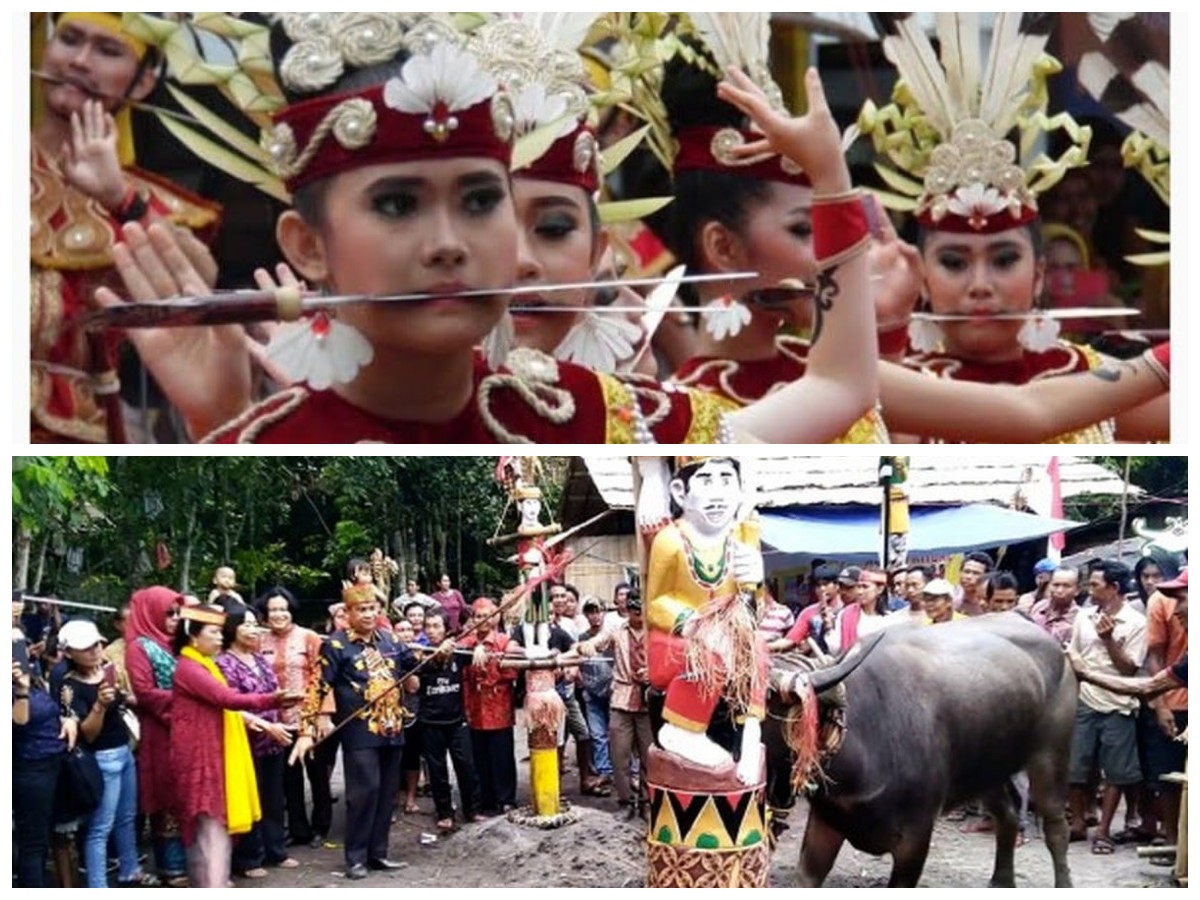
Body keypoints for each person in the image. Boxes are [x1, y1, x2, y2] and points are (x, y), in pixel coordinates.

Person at [95, 13, 881, 446]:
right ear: (307, 247)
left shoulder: (585, 410)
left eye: (478, 200)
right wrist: (217, 425)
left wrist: (830, 180)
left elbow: (840, 389)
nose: (449, 242)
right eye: (397, 205)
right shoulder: (269, 441)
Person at [859, 12, 1168, 443]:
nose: (980, 285)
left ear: (1039, 273)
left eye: (1005, 259)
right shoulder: (893, 385)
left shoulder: (1086, 372)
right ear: (922, 277)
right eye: (953, 262)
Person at [30, 12, 220, 443]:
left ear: (144, 83)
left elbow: (199, 288)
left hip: (76, 437)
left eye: (108, 50)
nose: (79, 61)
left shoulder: (146, 202)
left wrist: (119, 197)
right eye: (69, 39)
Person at [644, 457, 767, 782]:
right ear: (680, 491)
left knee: (757, 647)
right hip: (677, 641)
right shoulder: (670, 540)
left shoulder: (741, 538)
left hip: (728, 635)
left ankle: (752, 729)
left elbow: (754, 611)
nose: (718, 493)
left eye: (727, 480)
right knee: (709, 657)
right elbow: (656, 604)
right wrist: (697, 626)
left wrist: (755, 582)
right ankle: (682, 731)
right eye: (707, 480)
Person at [291, 584, 418, 880]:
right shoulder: (336, 645)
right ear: (347, 613)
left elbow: (414, 667)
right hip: (360, 731)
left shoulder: (390, 640)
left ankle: (379, 854)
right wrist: (307, 728)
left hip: (393, 728)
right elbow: (318, 686)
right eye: (362, 609)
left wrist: (441, 653)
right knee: (364, 792)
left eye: (373, 608)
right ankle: (355, 857)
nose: (369, 614)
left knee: (387, 792)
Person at [170, 604, 298, 888]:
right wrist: (271, 700)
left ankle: (214, 879)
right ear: (193, 636)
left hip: (213, 748)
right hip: (199, 753)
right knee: (208, 819)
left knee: (216, 820)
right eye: (213, 632)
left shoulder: (203, 663)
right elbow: (226, 697)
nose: (219, 637)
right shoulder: (190, 667)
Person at [58, 618, 156, 888]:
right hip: (100, 759)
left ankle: (130, 869)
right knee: (100, 828)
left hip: (124, 751)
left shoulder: (107, 670)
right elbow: (87, 733)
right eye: (85, 647)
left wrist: (156, 699)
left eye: (97, 644)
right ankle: (98, 885)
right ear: (69, 652)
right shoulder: (69, 686)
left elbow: (125, 701)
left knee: (127, 818)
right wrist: (100, 705)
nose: (94, 650)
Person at [1066, 560, 1148, 854]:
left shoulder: (1137, 623)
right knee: (1076, 767)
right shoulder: (1084, 616)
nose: (1090, 589)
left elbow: (1129, 670)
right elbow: (1073, 654)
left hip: (1119, 703)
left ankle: (1103, 831)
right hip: (1085, 699)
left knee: (1117, 772)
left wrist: (1108, 639)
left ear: (1114, 588)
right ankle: (1077, 823)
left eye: (1095, 585)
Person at [215, 605, 298, 878]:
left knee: (274, 796)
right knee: (250, 797)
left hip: (273, 738)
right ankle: (249, 858)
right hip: (245, 740)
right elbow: (230, 705)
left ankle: (276, 850)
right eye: (246, 624)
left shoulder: (260, 659)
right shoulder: (223, 663)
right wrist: (264, 724)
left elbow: (271, 694)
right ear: (231, 629)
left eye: (254, 624)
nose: (253, 630)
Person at [123, 585, 189, 885]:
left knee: (188, 794)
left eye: (178, 613)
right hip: (161, 731)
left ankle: (192, 861)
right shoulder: (140, 647)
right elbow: (145, 693)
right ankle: (171, 866)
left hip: (188, 729)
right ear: (151, 614)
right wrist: (187, 698)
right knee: (167, 796)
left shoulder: (179, 643)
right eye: (169, 613)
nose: (175, 619)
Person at [256, 586, 330, 848]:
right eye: (273, 610)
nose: (279, 614)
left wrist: (323, 715)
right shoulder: (258, 640)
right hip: (276, 718)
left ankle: (321, 825)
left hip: (308, 714)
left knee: (318, 772)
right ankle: (299, 829)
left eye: (283, 609)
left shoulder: (309, 637)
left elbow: (323, 677)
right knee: (289, 776)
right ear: (265, 614)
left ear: (292, 610)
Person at [578, 590, 652, 820]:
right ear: (627, 610)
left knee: (649, 756)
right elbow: (594, 643)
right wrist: (586, 646)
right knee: (619, 755)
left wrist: (655, 673)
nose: (638, 615)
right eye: (633, 611)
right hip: (621, 697)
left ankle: (648, 803)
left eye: (641, 611)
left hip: (648, 700)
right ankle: (625, 802)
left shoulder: (655, 632)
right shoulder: (617, 631)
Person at [13, 633, 78, 888]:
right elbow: (19, 721)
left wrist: (66, 719)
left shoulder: (34, 675)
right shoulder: (14, 683)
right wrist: (20, 690)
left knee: (52, 835)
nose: (22, 650)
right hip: (29, 768)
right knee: (33, 843)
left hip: (53, 763)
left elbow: (51, 709)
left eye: (22, 644)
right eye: (13, 646)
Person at [413, 610, 480, 833]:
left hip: (456, 720)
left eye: (436, 626)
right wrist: (434, 655)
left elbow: (475, 650)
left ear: (445, 628)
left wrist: (478, 649)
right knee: (437, 770)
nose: (432, 631)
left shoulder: (457, 650)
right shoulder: (419, 653)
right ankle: (444, 813)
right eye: (428, 626)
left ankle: (472, 809)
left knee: (467, 766)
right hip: (430, 722)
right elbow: (416, 676)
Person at [1140, 568, 1188, 847]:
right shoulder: (1159, 602)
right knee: (1170, 775)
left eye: (1182, 599)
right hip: (1175, 702)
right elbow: (1154, 665)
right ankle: (1175, 842)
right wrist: (1161, 705)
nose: (1176, 608)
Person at [459, 596, 520, 815]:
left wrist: (494, 659)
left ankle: (506, 798)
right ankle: (486, 800)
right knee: (479, 756)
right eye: (478, 616)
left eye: (487, 616)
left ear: (495, 618)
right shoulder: (466, 642)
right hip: (475, 706)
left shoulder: (504, 641)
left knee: (502, 754)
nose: (482, 620)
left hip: (499, 704)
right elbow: (461, 671)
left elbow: (512, 672)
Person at [577, 597, 615, 787]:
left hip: (613, 690)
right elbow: (576, 659)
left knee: (618, 734)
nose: (595, 616)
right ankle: (604, 771)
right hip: (591, 691)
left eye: (598, 611)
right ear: (586, 615)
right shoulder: (582, 638)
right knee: (597, 734)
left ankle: (630, 773)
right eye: (591, 612)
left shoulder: (612, 635)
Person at [1030, 567, 1081, 648]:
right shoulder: (1038, 607)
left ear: (1077, 590)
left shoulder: (1079, 619)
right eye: (1056, 585)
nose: (1059, 590)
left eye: (1066, 586)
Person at [956, 552, 994, 617]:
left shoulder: (991, 605)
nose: (968, 577)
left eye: (976, 573)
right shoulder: (950, 600)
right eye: (966, 571)